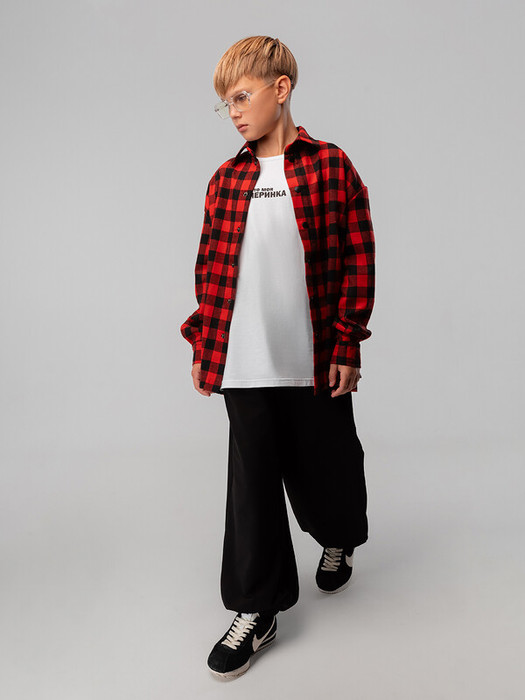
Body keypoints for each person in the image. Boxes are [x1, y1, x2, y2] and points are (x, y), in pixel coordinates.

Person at [180, 35, 376, 681]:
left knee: (328, 468)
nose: (233, 112)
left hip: (315, 356)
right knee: (252, 488)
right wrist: (204, 343)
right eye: (225, 104)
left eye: (241, 97)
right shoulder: (226, 179)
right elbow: (210, 268)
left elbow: (357, 257)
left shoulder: (330, 167)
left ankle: (338, 537)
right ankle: (255, 609)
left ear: (281, 89)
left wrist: (347, 340)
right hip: (243, 359)